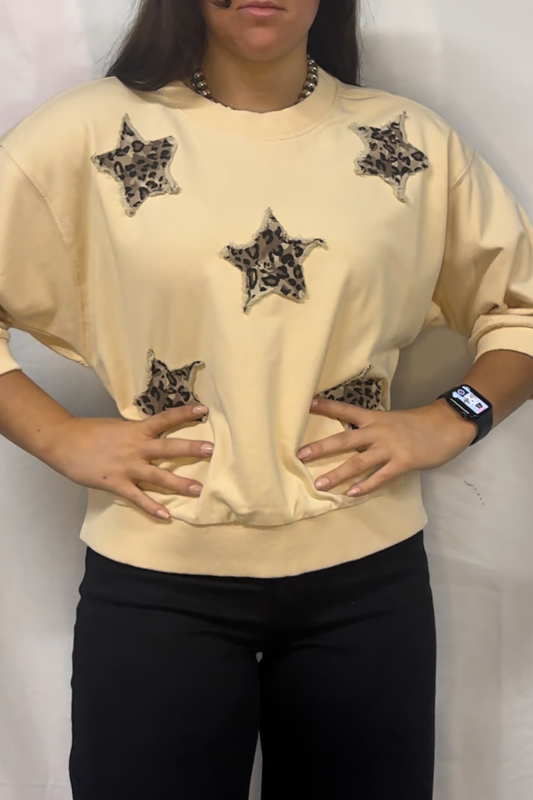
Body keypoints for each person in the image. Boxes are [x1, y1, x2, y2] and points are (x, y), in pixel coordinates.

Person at [1, 0, 533, 797]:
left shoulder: (411, 142)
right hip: (156, 577)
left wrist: (453, 416)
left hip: (366, 581)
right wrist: (57, 436)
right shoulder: (84, 135)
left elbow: (518, 305)